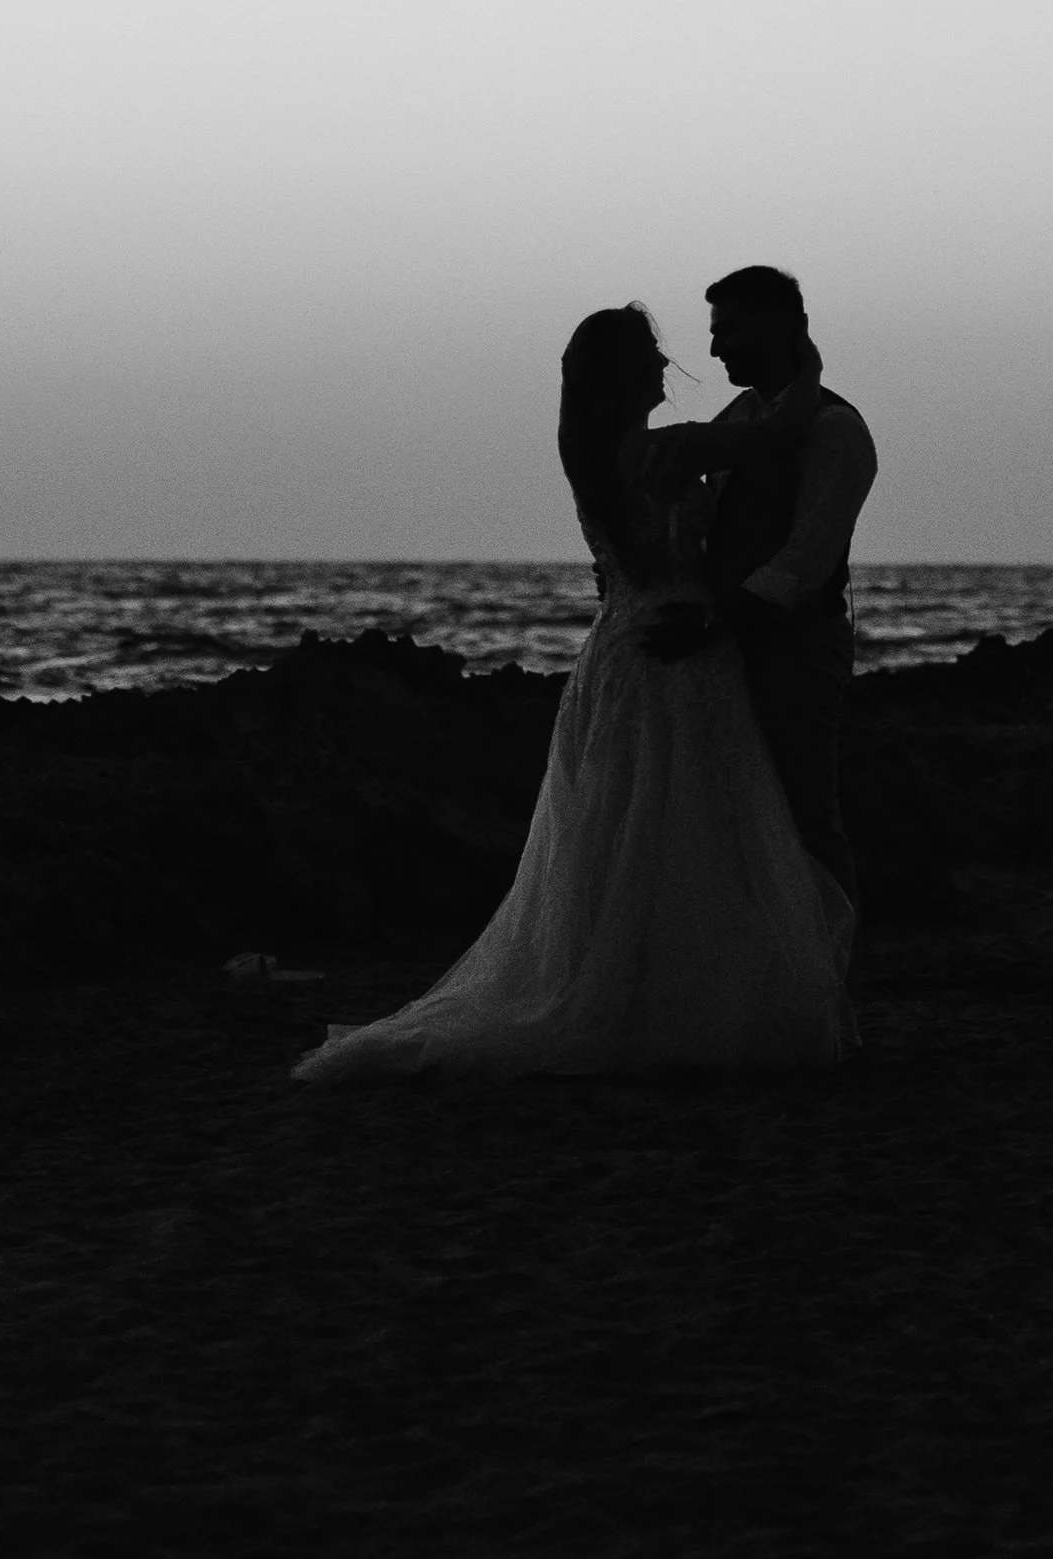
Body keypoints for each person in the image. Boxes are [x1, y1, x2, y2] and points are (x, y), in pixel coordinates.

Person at [290, 301, 856, 1082]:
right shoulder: (660, 451)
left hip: (625, 645)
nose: (669, 365)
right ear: (628, 373)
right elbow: (776, 435)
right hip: (675, 648)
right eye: (654, 355)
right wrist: (807, 358)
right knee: (680, 825)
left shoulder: (596, 455)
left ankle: (642, 994)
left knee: (634, 831)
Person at [644, 264, 876, 915]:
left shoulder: (835, 430)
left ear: (773, 327)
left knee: (804, 814)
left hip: (796, 651)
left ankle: (827, 972)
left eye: (728, 331)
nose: (714, 349)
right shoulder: (744, 416)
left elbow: (805, 560)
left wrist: (713, 623)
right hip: (730, 648)